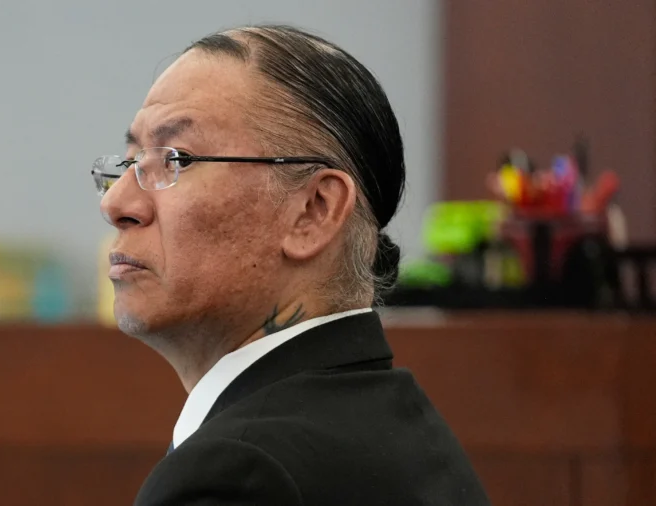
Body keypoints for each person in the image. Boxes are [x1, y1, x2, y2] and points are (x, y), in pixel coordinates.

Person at [92, 25, 490, 506]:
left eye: (176, 158)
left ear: (313, 211)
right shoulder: (404, 430)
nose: (116, 203)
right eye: (131, 161)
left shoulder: (239, 475)